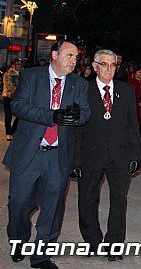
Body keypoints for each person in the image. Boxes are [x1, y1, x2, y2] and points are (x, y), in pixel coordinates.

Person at [4, 40, 90, 268]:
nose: (73, 61)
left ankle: (41, 254)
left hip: (58, 155)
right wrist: (51, 116)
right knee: (19, 203)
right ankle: (18, 240)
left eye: (76, 57)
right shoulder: (32, 77)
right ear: (54, 54)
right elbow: (18, 106)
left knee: (52, 205)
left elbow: (85, 114)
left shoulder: (79, 84)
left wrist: (75, 117)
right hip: (29, 153)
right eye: (69, 55)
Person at [75, 49, 141, 261]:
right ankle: (93, 241)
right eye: (104, 64)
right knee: (87, 199)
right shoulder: (83, 90)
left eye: (113, 65)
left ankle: (114, 244)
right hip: (90, 154)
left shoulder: (126, 90)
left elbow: (133, 125)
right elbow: (76, 128)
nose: (109, 69)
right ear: (94, 67)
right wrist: (74, 159)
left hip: (119, 155)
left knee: (119, 200)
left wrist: (135, 155)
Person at [3, 59, 21, 141]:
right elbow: (9, 86)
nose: (19, 66)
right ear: (13, 65)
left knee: (20, 115)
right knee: (8, 115)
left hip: (18, 97)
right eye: (17, 64)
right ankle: (8, 133)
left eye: (20, 64)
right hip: (8, 96)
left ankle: (13, 130)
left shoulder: (21, 73)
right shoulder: (8, 74)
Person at [128, 65, 141, 137]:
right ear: (135, 73)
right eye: (139, 72)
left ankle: (139, 132)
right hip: (134, 103)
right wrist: (137, 102)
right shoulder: (131, 82)